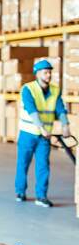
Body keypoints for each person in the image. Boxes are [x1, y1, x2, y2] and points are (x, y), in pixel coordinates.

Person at [15, 59, 70, 207]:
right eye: (45, 72)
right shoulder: (28, 89)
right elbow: (31, 110)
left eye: (50, 72)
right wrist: (41, 127)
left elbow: (60, 108)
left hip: (44, 137)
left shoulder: (54, 90)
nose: (48, 75)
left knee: (43, 166)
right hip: (28, 133)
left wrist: (65, 125)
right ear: (37, 74)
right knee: (23, 164)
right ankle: (20, 192)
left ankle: (41, 196)